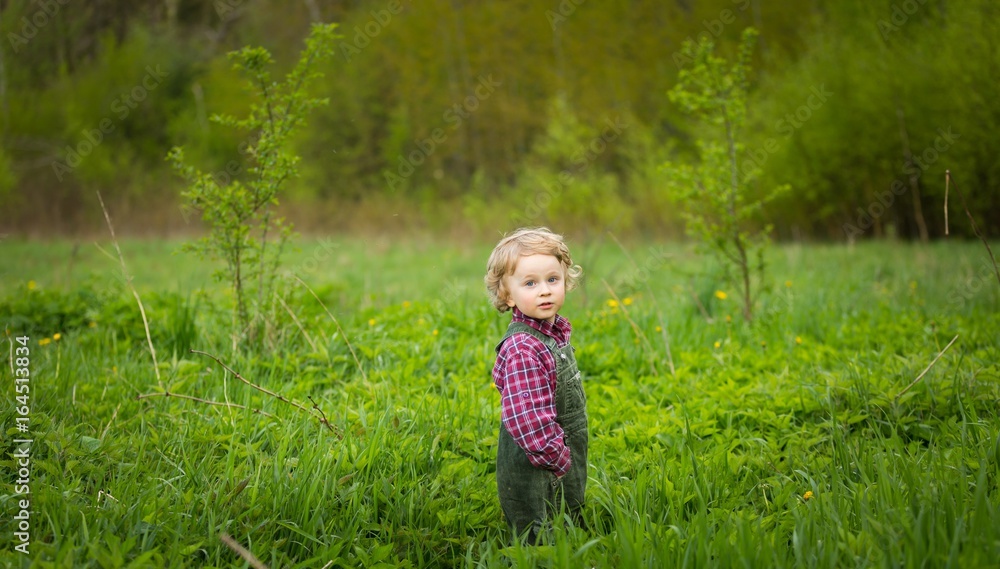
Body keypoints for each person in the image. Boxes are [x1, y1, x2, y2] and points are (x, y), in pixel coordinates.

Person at [484, 227, 588, 543]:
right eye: (530, 283)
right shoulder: (523, 349)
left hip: (561, 457)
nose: (544, 290)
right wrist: (559, 459)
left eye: (552, 280)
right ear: (507, 294)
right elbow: (526, 419)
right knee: (541, 533)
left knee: (568, 523)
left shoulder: (552, 334)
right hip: (541, 464)